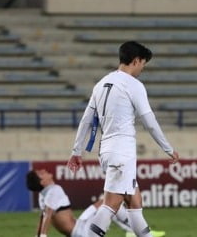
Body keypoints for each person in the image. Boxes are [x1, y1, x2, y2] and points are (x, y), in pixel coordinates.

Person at [67, 41, 179, 237]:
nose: (142, 69)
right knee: (110, 205)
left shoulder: (101, 84)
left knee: (134, 203)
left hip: (107, 150)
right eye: (143, 64)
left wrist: (77, 152)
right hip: (122, 152)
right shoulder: (134, 85)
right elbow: (149, 120)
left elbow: (86, 121)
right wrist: (167, 148)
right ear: (136, 60)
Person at [26, 169, 166, 237]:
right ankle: (137, 231)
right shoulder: (53, 190)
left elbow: (43, 215)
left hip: (80, 224)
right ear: (42, 181)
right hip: (82, 232)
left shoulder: (43, 195)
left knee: (105, 202)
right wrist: (43, 235)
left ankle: (132, 231)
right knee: (113, 205)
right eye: (40, 173)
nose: (44, 171)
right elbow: (48, 214)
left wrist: (39, 235)